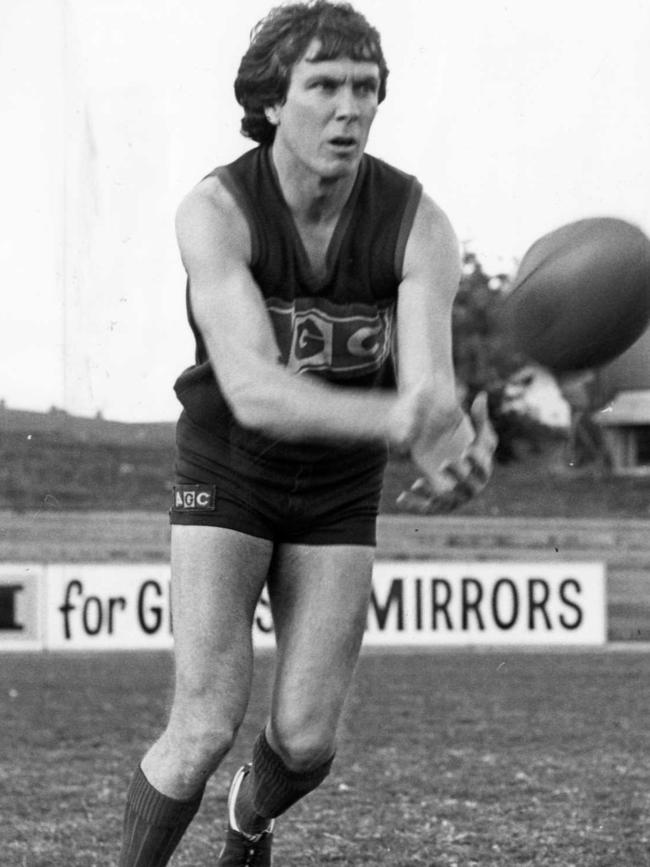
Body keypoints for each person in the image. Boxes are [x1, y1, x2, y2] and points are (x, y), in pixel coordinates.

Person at [118, 2, 496, 865]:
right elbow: (251, 388)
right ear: (271, 102)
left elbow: (430, 385)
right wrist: (399, 417)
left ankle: (249, 829)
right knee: (206, 719)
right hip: (230, 465)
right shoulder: (216, 209)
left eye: (365, 88)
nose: (350, 108)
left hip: (337, 486)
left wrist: (451, 450)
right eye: (324, 85)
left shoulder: (418, 222)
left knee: (306, 741)